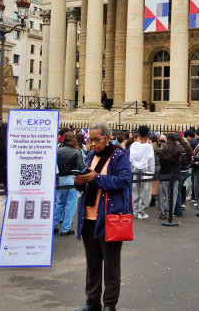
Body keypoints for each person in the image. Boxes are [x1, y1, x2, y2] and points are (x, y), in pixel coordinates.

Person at [74, 123, 131, 311]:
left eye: (97, 139)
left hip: (109, 218)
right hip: (89, 217)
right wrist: (81, 182)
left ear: (108, 137)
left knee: (111, 265)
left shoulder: (118, 156)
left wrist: (96, 178)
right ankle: (92, 302)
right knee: (92, 263)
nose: (93, 143)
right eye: (91, 140)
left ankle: (109, 304)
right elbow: (88, 183)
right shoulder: (90, 156)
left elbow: (124, 181)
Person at [54, 131, 83, 236]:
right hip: (72, 178)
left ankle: (53, 225)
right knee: (71, 205)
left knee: (60, 203)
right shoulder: (76, 151)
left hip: (61, 178)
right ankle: (66, 228)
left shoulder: (58, 151)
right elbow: (80, 167)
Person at [128, 126, 155, 219]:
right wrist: (152, 172)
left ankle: (135, 211)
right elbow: (151, 160)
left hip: (135, 169)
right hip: (146, 169)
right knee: (145, 192)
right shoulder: (149, 146)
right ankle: (142, 212)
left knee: (135, 190)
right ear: (147, 134)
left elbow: (131, 159)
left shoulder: (134, 145)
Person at [157, 133, 181, 219]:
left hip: (165, 174)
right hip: (175, 175)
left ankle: (162, 213)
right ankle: (170, 212)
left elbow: (162, 162)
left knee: (163, 195)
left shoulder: (165, 149)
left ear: (167, 139)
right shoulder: (178, 149)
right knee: (173, 196)